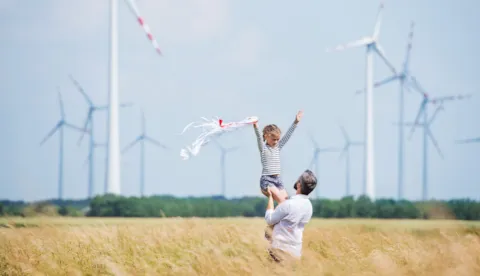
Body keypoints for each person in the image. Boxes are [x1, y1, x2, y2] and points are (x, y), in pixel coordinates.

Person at [264, 169, 317, 262]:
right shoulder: (309, 206)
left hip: (280, 251)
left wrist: (270, 198)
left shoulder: (289, 204)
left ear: (299, 185)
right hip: (296, 252)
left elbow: (269, 219)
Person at [253, 111, 303, 204]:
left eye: (277, 139)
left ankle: (283, 218)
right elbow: (259, 138)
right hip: (267, 180)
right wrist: (256, 126)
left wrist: (295, 122)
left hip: (278, 180)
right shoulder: (263, 149)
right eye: (273, 139)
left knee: (287, 203)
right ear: (266, 136)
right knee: (282, 202)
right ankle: (274, 216)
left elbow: (287, 136)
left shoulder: (277, 147)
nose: (276, 142)